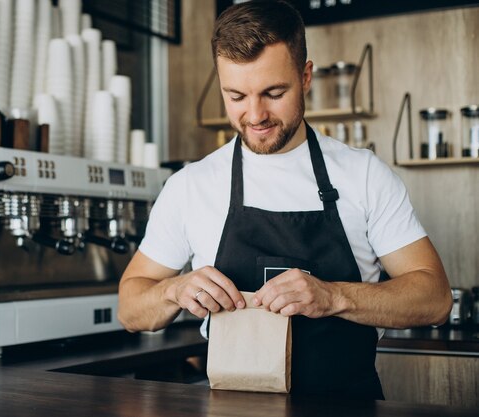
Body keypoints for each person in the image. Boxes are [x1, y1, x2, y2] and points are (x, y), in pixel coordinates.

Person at [117, 0, 452, 399]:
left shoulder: (363, 175)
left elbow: (434, 298)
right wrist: (175, 289)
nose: (255, 114)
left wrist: (333, 295)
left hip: (349, 405)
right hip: (231, 409)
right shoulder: (192, 184)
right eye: (236, 96)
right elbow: (130, 307)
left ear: (305, 76)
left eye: (274, 92)